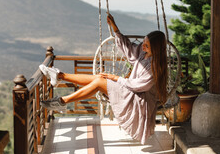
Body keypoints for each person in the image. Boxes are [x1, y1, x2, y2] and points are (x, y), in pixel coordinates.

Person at [39, 13, 168, 144]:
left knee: (100, 81)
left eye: (147, 45)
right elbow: (128, 48)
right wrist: (115, 28)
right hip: (130, 90)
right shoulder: (144, 54)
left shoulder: (154, 67)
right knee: (99, 78)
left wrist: (115, 78)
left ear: (156, 49)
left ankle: (62, 101)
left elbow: (139, 86)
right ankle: (59, 76)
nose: (143, 46)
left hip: (138, 100)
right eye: (144, 43)